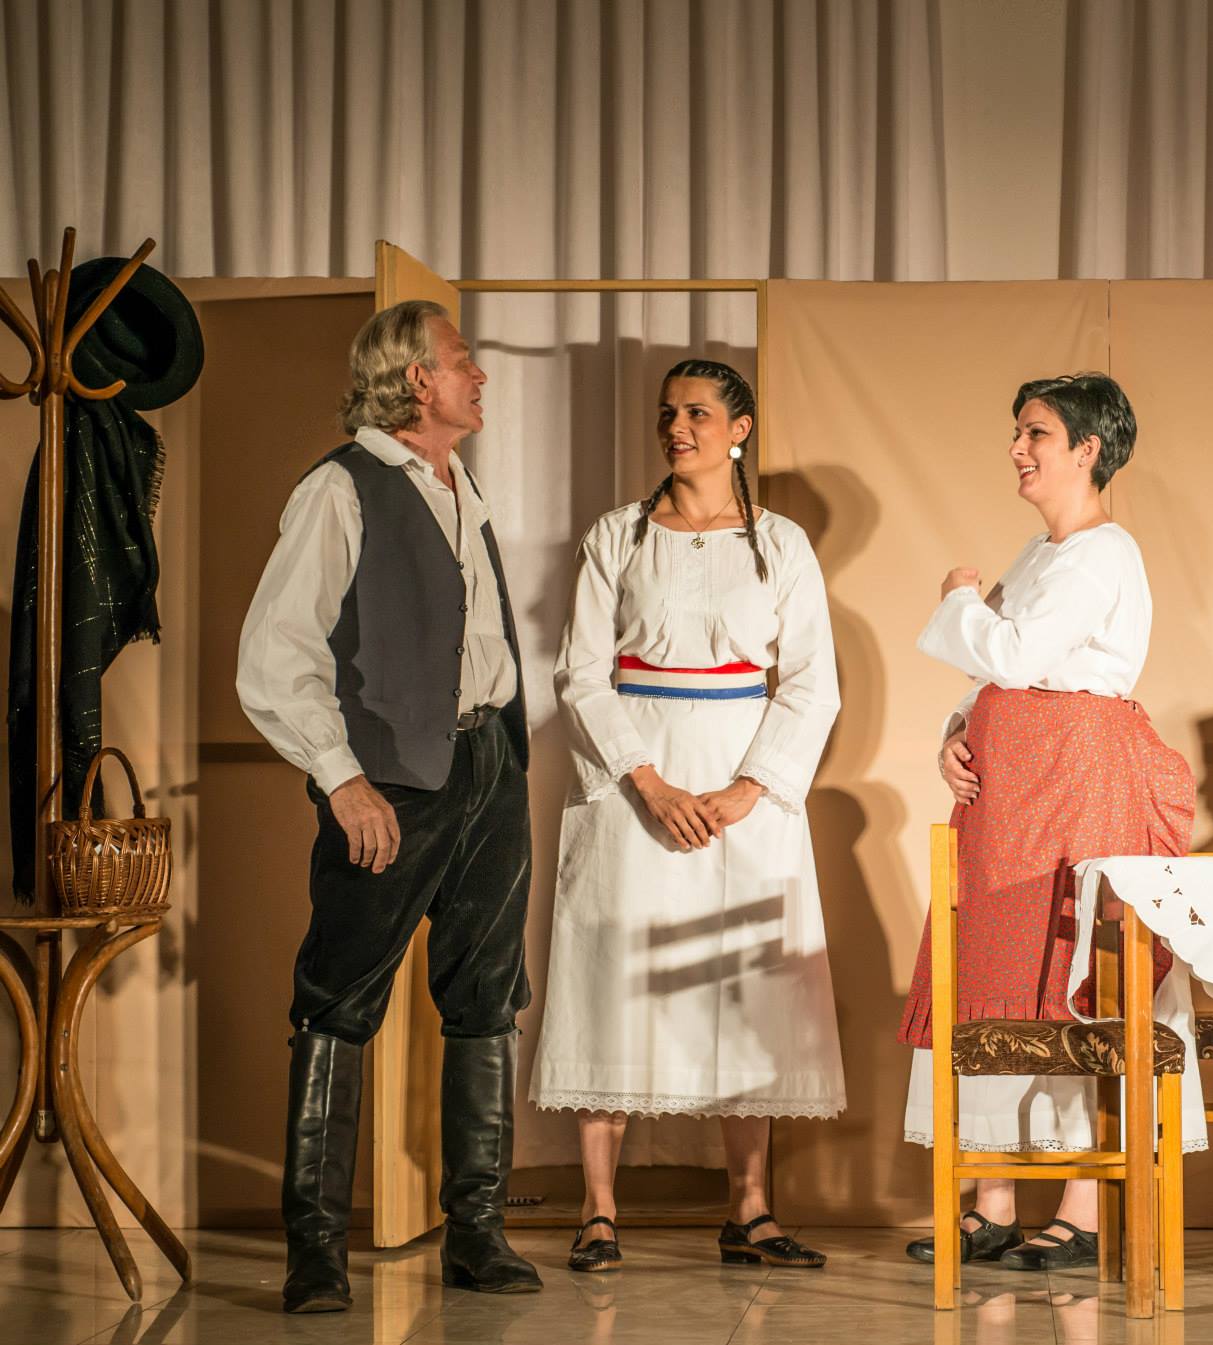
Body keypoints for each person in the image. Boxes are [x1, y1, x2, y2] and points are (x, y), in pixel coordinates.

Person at [238, 301, 542, 1313]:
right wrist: (341, 776)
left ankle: (477, 1233)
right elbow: (277, 650)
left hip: (489, 763)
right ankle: (316, 1251)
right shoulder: (342, 486)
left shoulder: (461, 486)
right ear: (416, 378)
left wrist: (506, 755)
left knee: (487, 997)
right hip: (392, 779)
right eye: (462, 360)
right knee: (339, 1001)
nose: (478, 376)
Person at [529, 359, 845, 1272]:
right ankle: (598, 1207)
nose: (678, 426)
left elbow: (812, 682)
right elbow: (581, 672)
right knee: (614, 967)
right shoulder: (617, 536)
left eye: (699, 413)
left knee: (748, 976)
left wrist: (749, 788)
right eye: (669, 412)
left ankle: (750, 1207)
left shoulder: (780, 544)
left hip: (745, 782)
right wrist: (648, 782)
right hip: (636, 773)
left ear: (739, 429)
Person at [898, 372, 1205, 1271]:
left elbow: (1019, 649)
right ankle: (992, 1194)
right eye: (1018, 431)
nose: (1018, 449)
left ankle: (1083, 1202)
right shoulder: (1040, 552)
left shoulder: (1105, 552)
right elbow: (996, 675)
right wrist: (956, 734)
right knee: (995, 962)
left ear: (1087, 448)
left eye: (1035, 432)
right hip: (1013, 791)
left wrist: (957, 598)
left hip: (1076, 781)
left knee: (1069, 967)